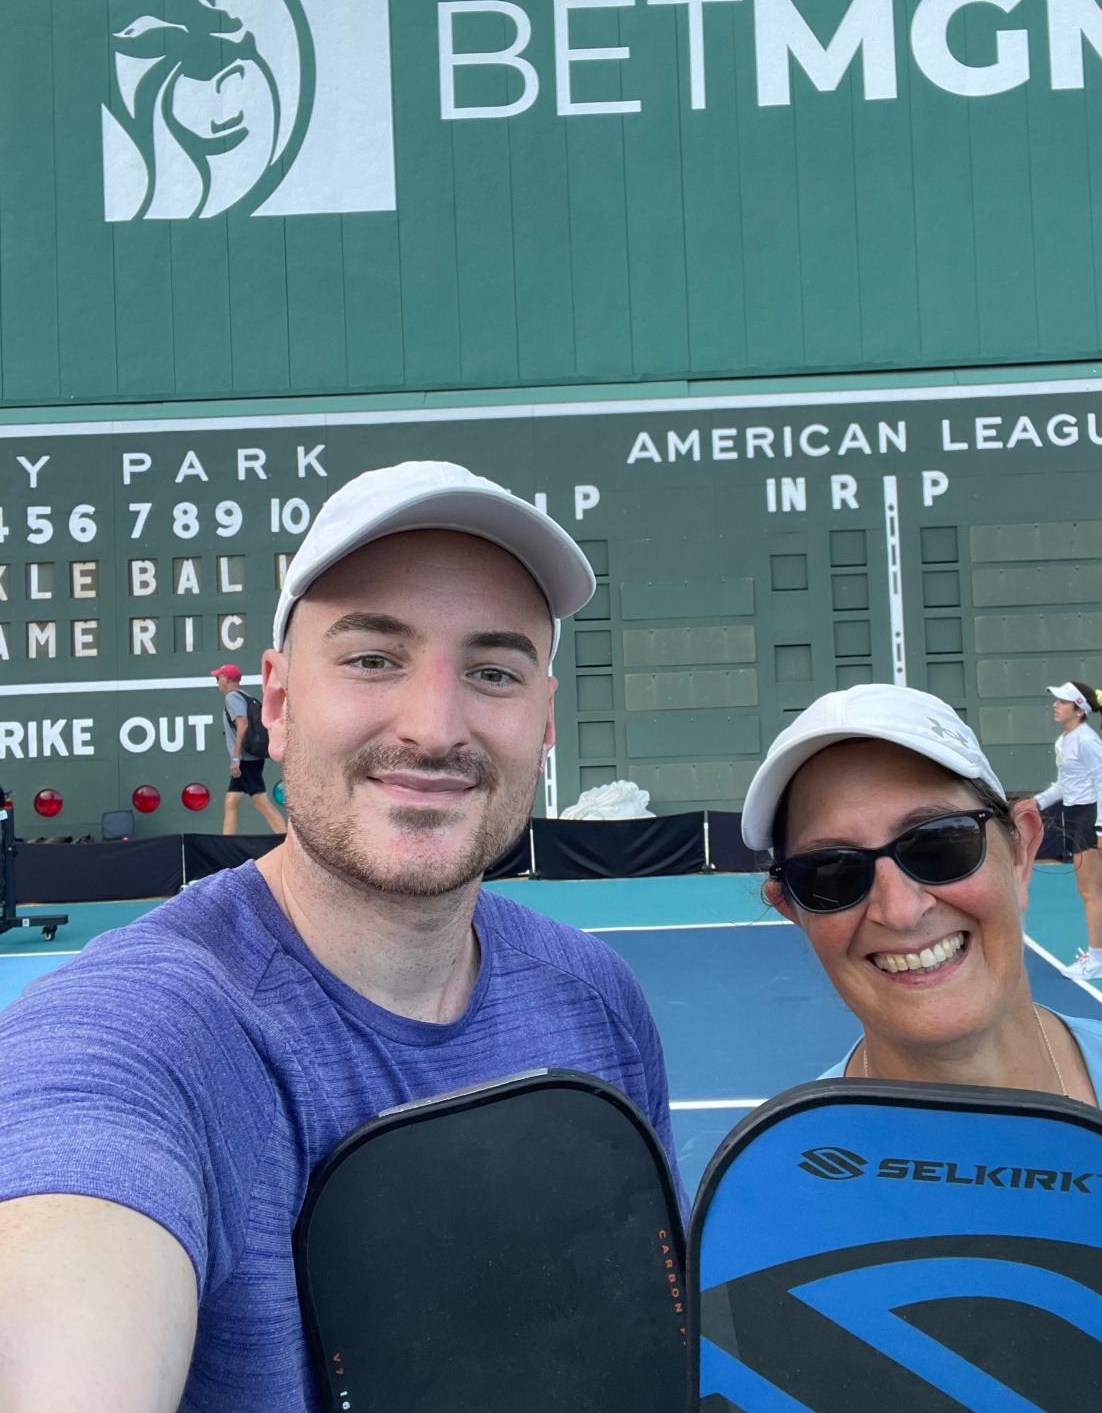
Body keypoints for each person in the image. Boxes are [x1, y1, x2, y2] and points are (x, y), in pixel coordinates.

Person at [0, 461, 681, 1413]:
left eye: (493, 671)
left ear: (546, 719)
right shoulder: (142, 1035)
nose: (435, 727)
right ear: (275, 702)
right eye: (373, 658)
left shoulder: (597, 1001)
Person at [742, 682, 1102, 1404]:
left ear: (1022, 848)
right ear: (791, 909)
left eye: (940, 846)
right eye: (832, 873)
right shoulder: (759, 1205)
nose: (901, 908)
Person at [1035, 679, 1102, 980]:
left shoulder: (1086, 741)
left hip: (1092, 819)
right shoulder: (1066, 741)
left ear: (1078, 710)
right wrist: (1035, 803)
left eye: (1062, 702)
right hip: (1082, 815)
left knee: (1090, 892)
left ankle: (1099, 961)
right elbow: (1066, 785)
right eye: (1057, 700)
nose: (1056, 705)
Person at [211, 661, 286, 835]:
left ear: (227, 679)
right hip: (250, 758)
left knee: (260, 799)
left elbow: (242, 724)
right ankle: (227, 841)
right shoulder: (244, 695)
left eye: (219, 677)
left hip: (245, 759)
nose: (217, 681)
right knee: (232, 799)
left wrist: (236, 758)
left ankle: (283, 837)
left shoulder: (232, 697)